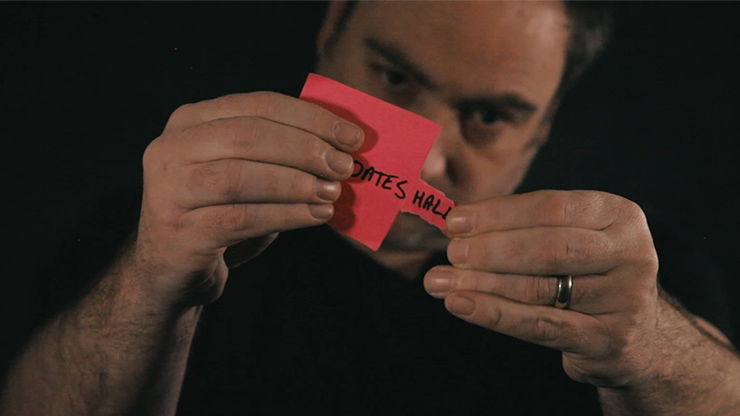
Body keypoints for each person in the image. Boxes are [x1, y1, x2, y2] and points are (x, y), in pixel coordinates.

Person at [2, 0, 739, 414]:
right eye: (393, 78)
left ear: (543, 128)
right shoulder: (169, 223)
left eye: (489, 117)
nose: (426, 161)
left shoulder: (635, 276)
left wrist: (649, 346)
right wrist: (152, 281)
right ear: (330, 34)